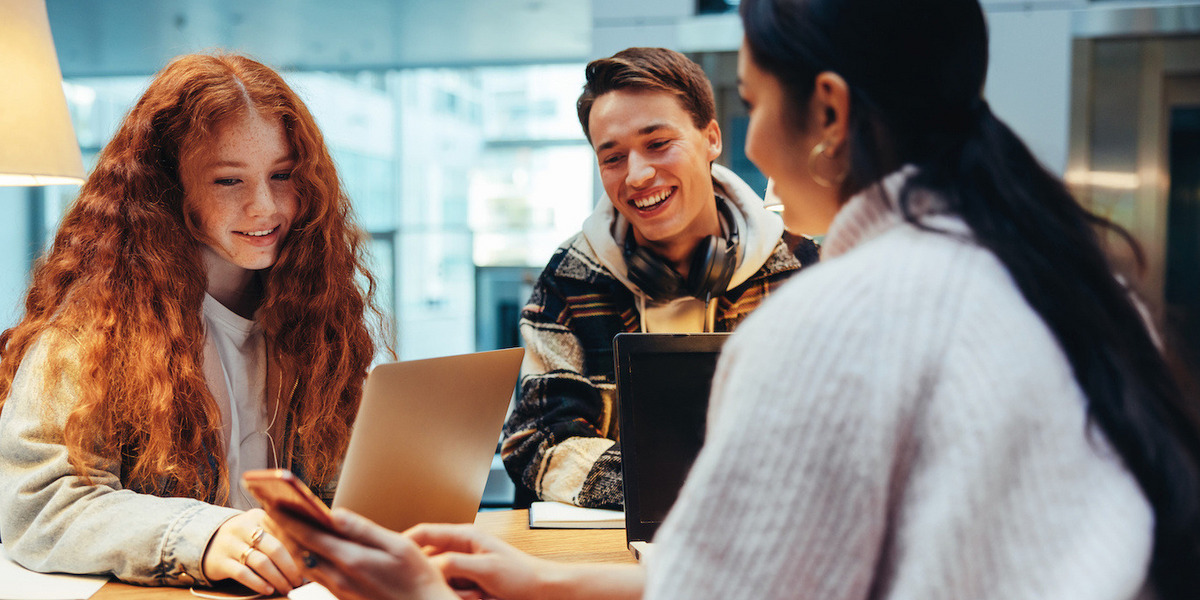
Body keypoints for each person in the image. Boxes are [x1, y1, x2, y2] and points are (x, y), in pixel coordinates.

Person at [264, 0, 1200, 597]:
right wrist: (554, 583)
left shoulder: (829, 312)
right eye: (610, 155)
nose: (756, 144)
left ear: (826, 112)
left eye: (750, 104)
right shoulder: (1074, 278)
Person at [0, 53, 387, 596]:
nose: (265, 207)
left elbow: (333, 489)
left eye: (282, 176)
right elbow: (40, 504)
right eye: (229, 180)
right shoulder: (95, 327)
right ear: (165, 187)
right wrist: (204, 537)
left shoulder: (313, 309)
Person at [502, 47, 812, 509]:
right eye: (613, 158)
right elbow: (539, 440)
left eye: (657, 143)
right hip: (609, 558)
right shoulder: (570, 276)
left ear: (711, 138)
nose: (638, 176)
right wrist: (688, 484)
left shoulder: (800, 268)